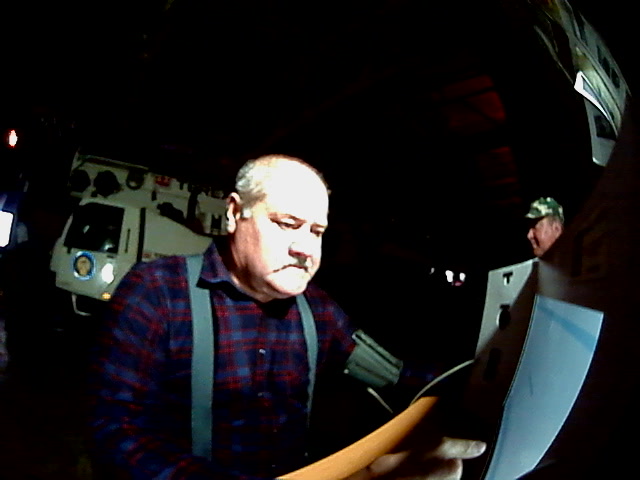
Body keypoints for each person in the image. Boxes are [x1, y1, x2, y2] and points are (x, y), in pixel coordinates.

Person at [87, 154, 486, 480]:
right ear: (234, 213)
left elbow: (397, 376)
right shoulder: (157, 292)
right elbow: (113, 432)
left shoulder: (318, 310)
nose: (305, 249)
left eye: (317, 232)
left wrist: (489, 374)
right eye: (287, 224)